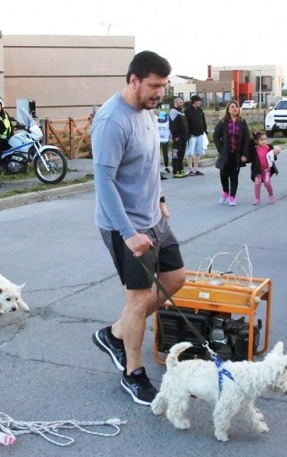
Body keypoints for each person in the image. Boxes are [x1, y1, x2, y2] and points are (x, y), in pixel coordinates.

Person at [90, 50, 187, 406]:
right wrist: (128, 233)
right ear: (133, 81)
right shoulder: (112, 121)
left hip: (153, 219)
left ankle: (116, 333)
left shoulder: (147, 111)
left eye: (163, 86)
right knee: (139, 298)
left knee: (177, 280)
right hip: (125, 226)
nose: (160, 92)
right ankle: (133, 373)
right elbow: (104, 181)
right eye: (155, 86)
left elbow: (149, 161)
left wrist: (160, 199)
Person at [213, 100, 251, 206]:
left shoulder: (242, 122)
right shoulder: (223, 122)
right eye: (232, 107)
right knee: (223, 174)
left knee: (234, 176)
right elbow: (216, 136)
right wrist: (220, 149)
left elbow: (246, 139)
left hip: (237, 154)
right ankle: (225, 191)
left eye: (237, 107)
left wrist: (245, 154)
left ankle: (232, 196)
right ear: (228, 110)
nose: (235, 108)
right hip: (225, 153)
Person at [249, 131, 280, 205]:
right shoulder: (253, 149)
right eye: (261, 140)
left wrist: (275, 154)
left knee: (267, 183)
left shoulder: (268, 147)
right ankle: (257, 199)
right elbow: (249, 158)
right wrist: (245, 159)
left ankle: (271, 196)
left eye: (265, 139)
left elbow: (273, 157)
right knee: (257, 184)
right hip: (257, 170)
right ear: (256, 141)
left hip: (266, 169)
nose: (264, 141)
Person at [183, 94, 207, 176]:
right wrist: (189, 134)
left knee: (198, 152)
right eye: (199, 101)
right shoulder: (187, 111)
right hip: (192, 136)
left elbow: (203, 120)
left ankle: (196, 169)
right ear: (194, 101)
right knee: (190, 152)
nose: (200, 102)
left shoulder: (200, 110)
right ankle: (190, 169)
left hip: (200, 134)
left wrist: (205, 130)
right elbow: (185, 124)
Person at [168, 97, 188, 178]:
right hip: (178, 138)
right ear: (175, 103)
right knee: (176, 154)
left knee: (181, 154)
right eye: (180, 102)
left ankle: (180, 169)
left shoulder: (181, 112)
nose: (182, 104)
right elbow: (172, 125)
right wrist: (175, 136)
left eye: (182, 102)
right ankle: (175, 171)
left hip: (183, 138)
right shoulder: (173, 112)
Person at [156, 111, 171, 178]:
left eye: (162, 118)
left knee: (165, 154)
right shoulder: (156, 121)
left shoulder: (168, 122)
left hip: (165, 140)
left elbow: (170, 130)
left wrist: (170, 137)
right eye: (160, 118)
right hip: (158, 140)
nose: (161, 119)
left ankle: (166, 167)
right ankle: (157, 168)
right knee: (156, 155)